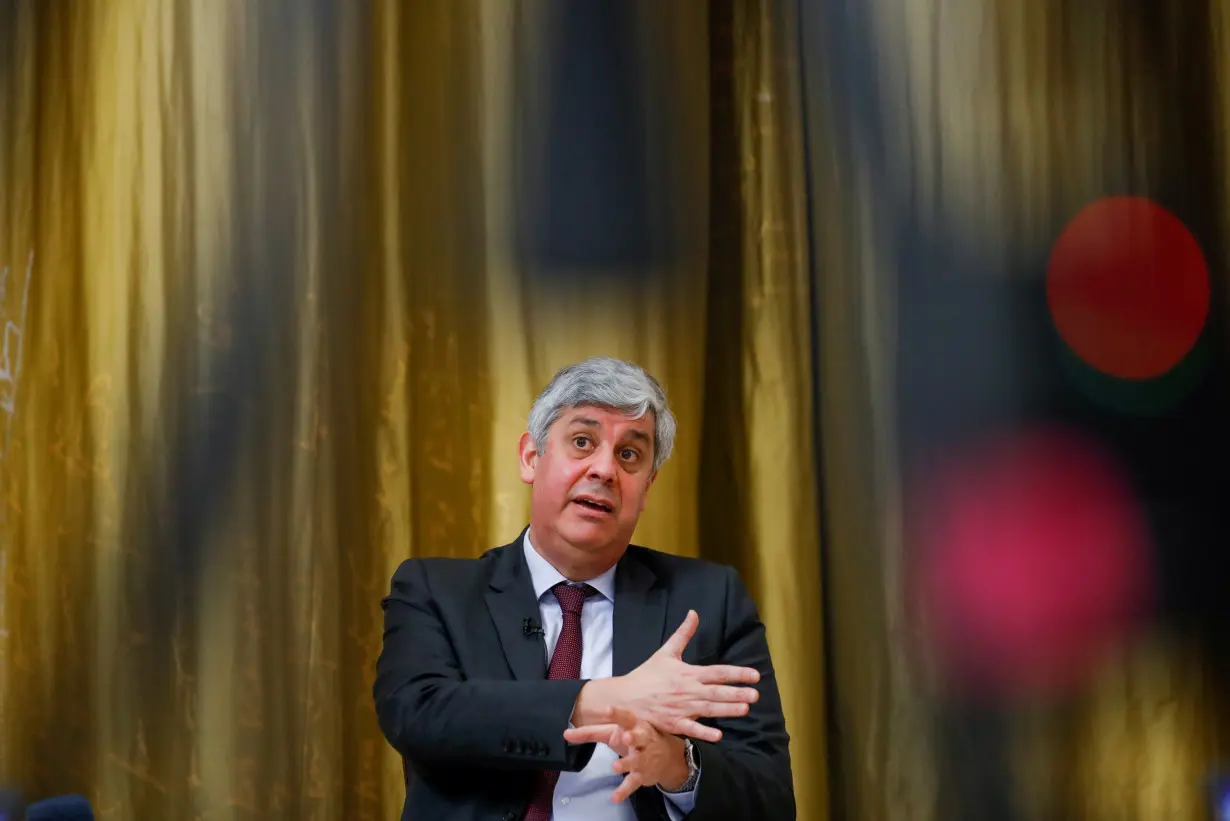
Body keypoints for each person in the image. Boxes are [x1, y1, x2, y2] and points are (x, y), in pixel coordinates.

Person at [374, 357, 795, 821]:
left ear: (647, 486)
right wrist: (601, 700)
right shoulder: (437, 590)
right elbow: (418, 714)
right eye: (582, 442)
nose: (604, 470)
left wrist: (679, 767)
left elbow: (771, 799)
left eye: (629, 454)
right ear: (531, 458)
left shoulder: (710, 600)